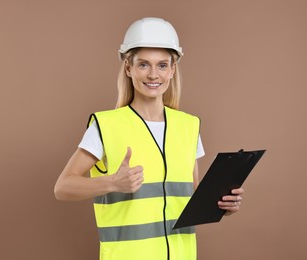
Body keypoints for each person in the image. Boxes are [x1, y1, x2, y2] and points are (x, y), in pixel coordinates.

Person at [54, 17, 244, 260]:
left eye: (162, 65)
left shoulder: (189, 126)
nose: (153, 74)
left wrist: (223, 205)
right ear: (128, 68)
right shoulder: (106, 125)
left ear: (173, 69)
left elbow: (192, 195)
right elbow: (62, 187)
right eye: (143, 65)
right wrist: (112, 183)